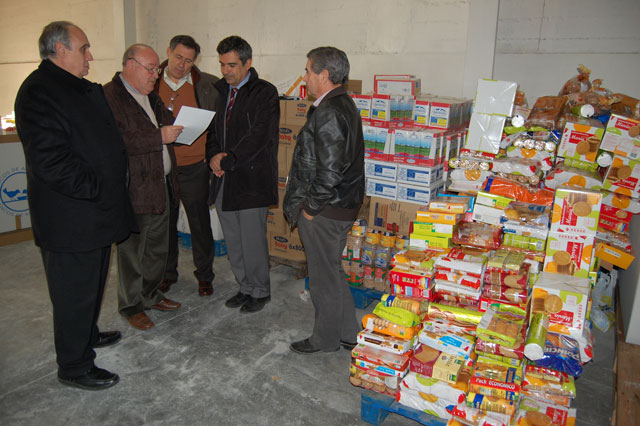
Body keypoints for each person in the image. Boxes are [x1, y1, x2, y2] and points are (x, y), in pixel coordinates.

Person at [14, 21, 136, 389]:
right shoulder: (38, 92)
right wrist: (99, 188)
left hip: (93, 214)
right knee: (72, 291)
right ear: (59, 50)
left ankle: (86, 333)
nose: (90, 56)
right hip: (71, 217)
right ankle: (74, 364)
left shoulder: (71, 87)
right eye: (83, 48)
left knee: (91, 284)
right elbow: (50, 162)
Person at [283, 47, 364, 354]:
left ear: (324, 75)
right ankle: (348, 333)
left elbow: (330, 170)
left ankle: (325, 339)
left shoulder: (330, 111)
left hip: (327, 209)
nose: (304, 77)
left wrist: (311, 209)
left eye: (308, 71)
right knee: (332, 270)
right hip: (340, 204)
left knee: (321, 278)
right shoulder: (340, 103)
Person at [104, 44, 183, 331]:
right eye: (150, 69)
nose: (155, 75)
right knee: (131, 252)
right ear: (130, 65)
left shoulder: (151, 95)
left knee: (156, 250)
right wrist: (157, 137)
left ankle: (150, 295)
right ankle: (130, 305)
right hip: (133, 190)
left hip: (160, 185)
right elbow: (115, 143)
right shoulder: (109, 97)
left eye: (156, 69)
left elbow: (163, 126)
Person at [205, 36, 279, 314]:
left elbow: (259, 135)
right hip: (224, 175)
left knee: (251, 238)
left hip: (251, 177)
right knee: (233, 237)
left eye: (232, 65)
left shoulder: (265, 92)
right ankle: (245, 286)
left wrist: (230, 158)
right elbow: (212, 130)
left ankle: (260, 290)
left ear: (248, 63)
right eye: (222, 64)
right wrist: (213, 154)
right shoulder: (219, 91)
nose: (226, 71)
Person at [154, 35, 220, 297]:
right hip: (163, 166)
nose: (182, 64)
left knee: (200, 223)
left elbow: (218, 125)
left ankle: (205, 276)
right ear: (168, 51)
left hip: (195, 166)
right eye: (178, 57)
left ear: (196, 61)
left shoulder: (207, 85)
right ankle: (167, 274)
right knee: (165, 222)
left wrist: (213, 152)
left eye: (189, 60)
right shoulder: (151, 82)